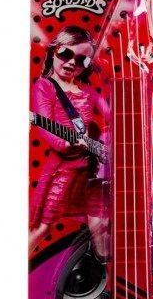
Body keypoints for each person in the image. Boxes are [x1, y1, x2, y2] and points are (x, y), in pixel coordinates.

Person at [29, 26, 109, 255]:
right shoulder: (45, 86)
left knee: (99, 224)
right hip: (63, 170)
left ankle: (109, 269)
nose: (72, 62)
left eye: (82, 60)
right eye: (65, 54)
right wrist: (65, 144)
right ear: (53, 51)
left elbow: (112, 117)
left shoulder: (88, 91)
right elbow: (45, 125)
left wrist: (106, 140)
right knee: (42, 227)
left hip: (91, 171)